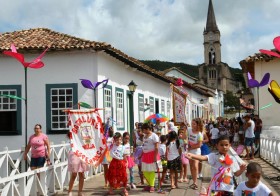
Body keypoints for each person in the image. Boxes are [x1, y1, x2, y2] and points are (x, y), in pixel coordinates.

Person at [67, 132, 90, 196]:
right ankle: (69, 191)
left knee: (81, 174)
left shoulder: (84, 134)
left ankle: (80, 192)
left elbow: (88, 142)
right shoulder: (72, 134)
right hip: (74, 154)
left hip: (83, 154)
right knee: (74, 174)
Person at [141, 123, 161, 193]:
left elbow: (156, 147)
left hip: (152, 154)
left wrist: (155, 156)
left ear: (148, 129)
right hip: (145, 155)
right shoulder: (144, 136)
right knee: (145, 171)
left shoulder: (154, 136)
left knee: (151, 170)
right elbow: (144, 145)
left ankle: (152, 186)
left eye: (144, 130)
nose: (143, 131)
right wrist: (142, 154)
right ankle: (149, 184)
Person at [187, 118, 203, 190]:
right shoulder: (189, 130)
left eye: (194, 124)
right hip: (189, 151)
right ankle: (194, 181)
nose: (192, 125)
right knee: (191, 166)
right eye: (192, 123)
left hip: (196, 152)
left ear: (197, 125)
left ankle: (196, 182)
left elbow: (199, 145)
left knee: (195, 166)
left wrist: (191, 147)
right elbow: (184, 137)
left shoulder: (200, 134)